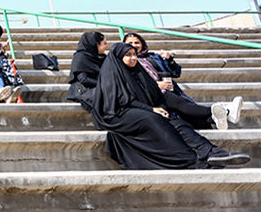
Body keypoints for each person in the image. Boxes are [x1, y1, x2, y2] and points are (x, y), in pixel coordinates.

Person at [87, 43, 250, 170]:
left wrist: (159, 107)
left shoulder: (139, 72)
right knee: (154, 119)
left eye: (134, 54)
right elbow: (121, 101)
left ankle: (211, 152)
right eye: (128, 55)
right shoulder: (111, 74)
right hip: (118, 113)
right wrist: (151, 109)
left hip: (143, 109)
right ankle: (192, 160)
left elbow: (154, 95)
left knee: (174, 119)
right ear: (118, 57)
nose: (133, 58)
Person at [124, 32, 242, 130]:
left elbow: (176, 73)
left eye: (137, 42)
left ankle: (216, 119)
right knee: (184, 108)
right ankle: (226, 110)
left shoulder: (153, 56)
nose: (134, 45)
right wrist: (156, 85)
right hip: (155, 94)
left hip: (171, 89)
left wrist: (169, 60)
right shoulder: (125, 61)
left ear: (142, 44)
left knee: (192, 116)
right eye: (130, 43)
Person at [67, 31, 108, 112]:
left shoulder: (102, 58)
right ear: (96, 44)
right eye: (104, 43)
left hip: (98, 87)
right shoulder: (80, 57)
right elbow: (83, 79)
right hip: (85, 89)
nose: (106, 46)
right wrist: (104, 85)